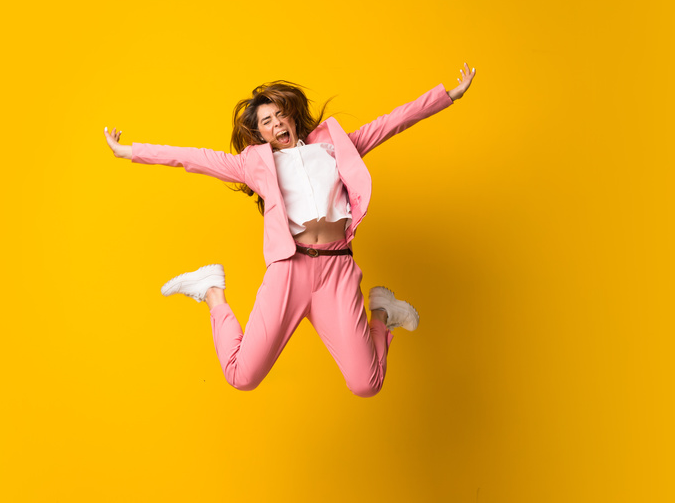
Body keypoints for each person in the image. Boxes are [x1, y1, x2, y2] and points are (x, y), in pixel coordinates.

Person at [103, 64, 476, 397]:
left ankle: (381, 311)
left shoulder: (332, 147)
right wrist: (130, 151)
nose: (277, 124)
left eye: (280, 115)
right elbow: (194, 157)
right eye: (266, 121)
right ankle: (211, 291)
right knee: (241, 376)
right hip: (290, 269)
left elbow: (391, 122)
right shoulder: (255, 165)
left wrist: (447, 96)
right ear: (258, 132)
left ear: (293, 117)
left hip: (337, 270)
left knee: (367, 383)